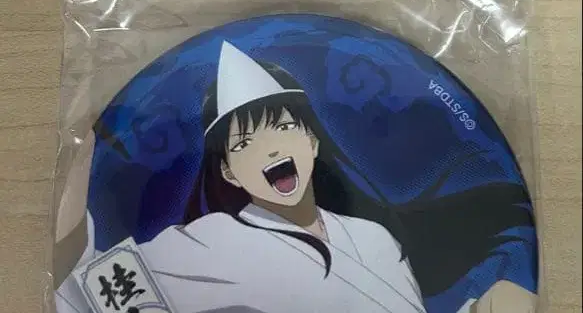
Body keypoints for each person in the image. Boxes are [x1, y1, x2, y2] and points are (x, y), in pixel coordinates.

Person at [53, 42, 537, 313]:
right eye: (244, 144)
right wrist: (78, 174)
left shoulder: (376, 239)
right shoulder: (213, 240)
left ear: (312, 142)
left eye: (285, 128)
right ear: (229, 172)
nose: (271, 149)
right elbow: (86, 288)